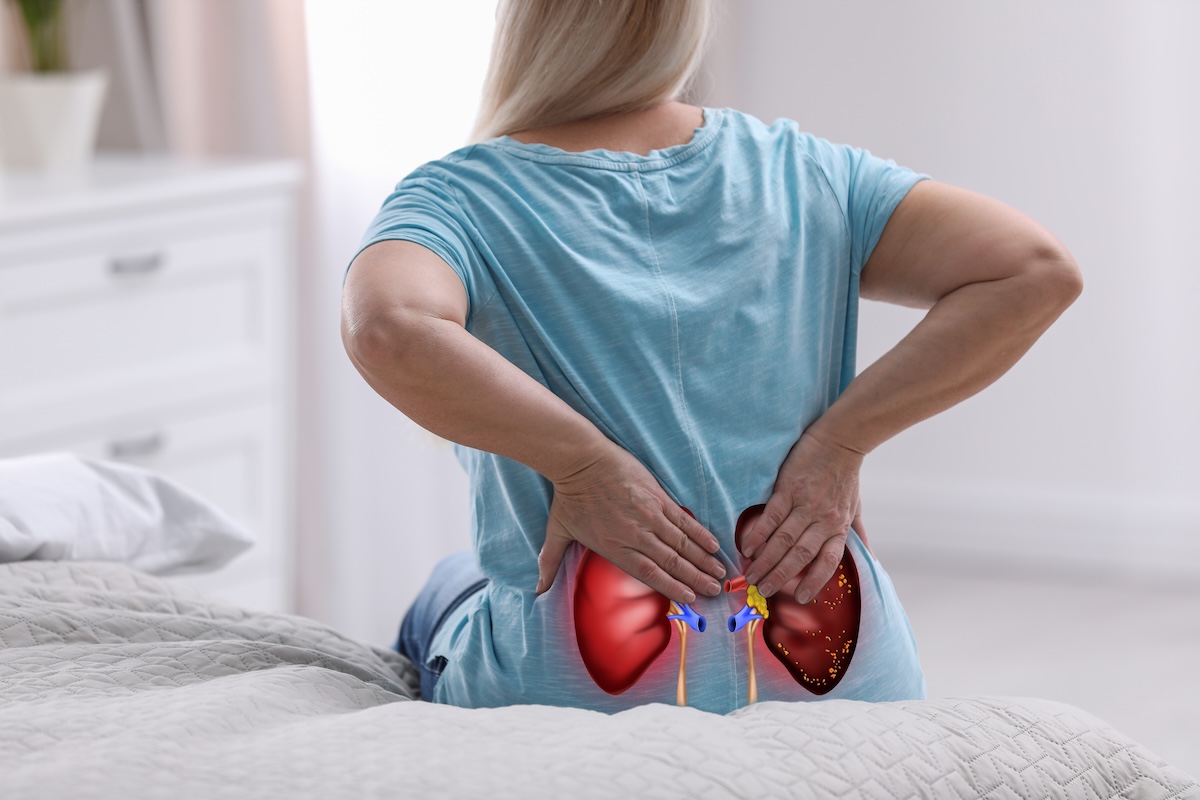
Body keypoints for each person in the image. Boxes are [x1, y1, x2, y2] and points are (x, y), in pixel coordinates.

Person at [341, 0, 1082, 714]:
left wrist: (583, 467)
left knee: (445, 589)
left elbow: (387, 326)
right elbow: (1035, 270)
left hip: (570, 690)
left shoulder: (459, 198)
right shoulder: (807, 169)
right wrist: (839, 444)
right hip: (853, 676)